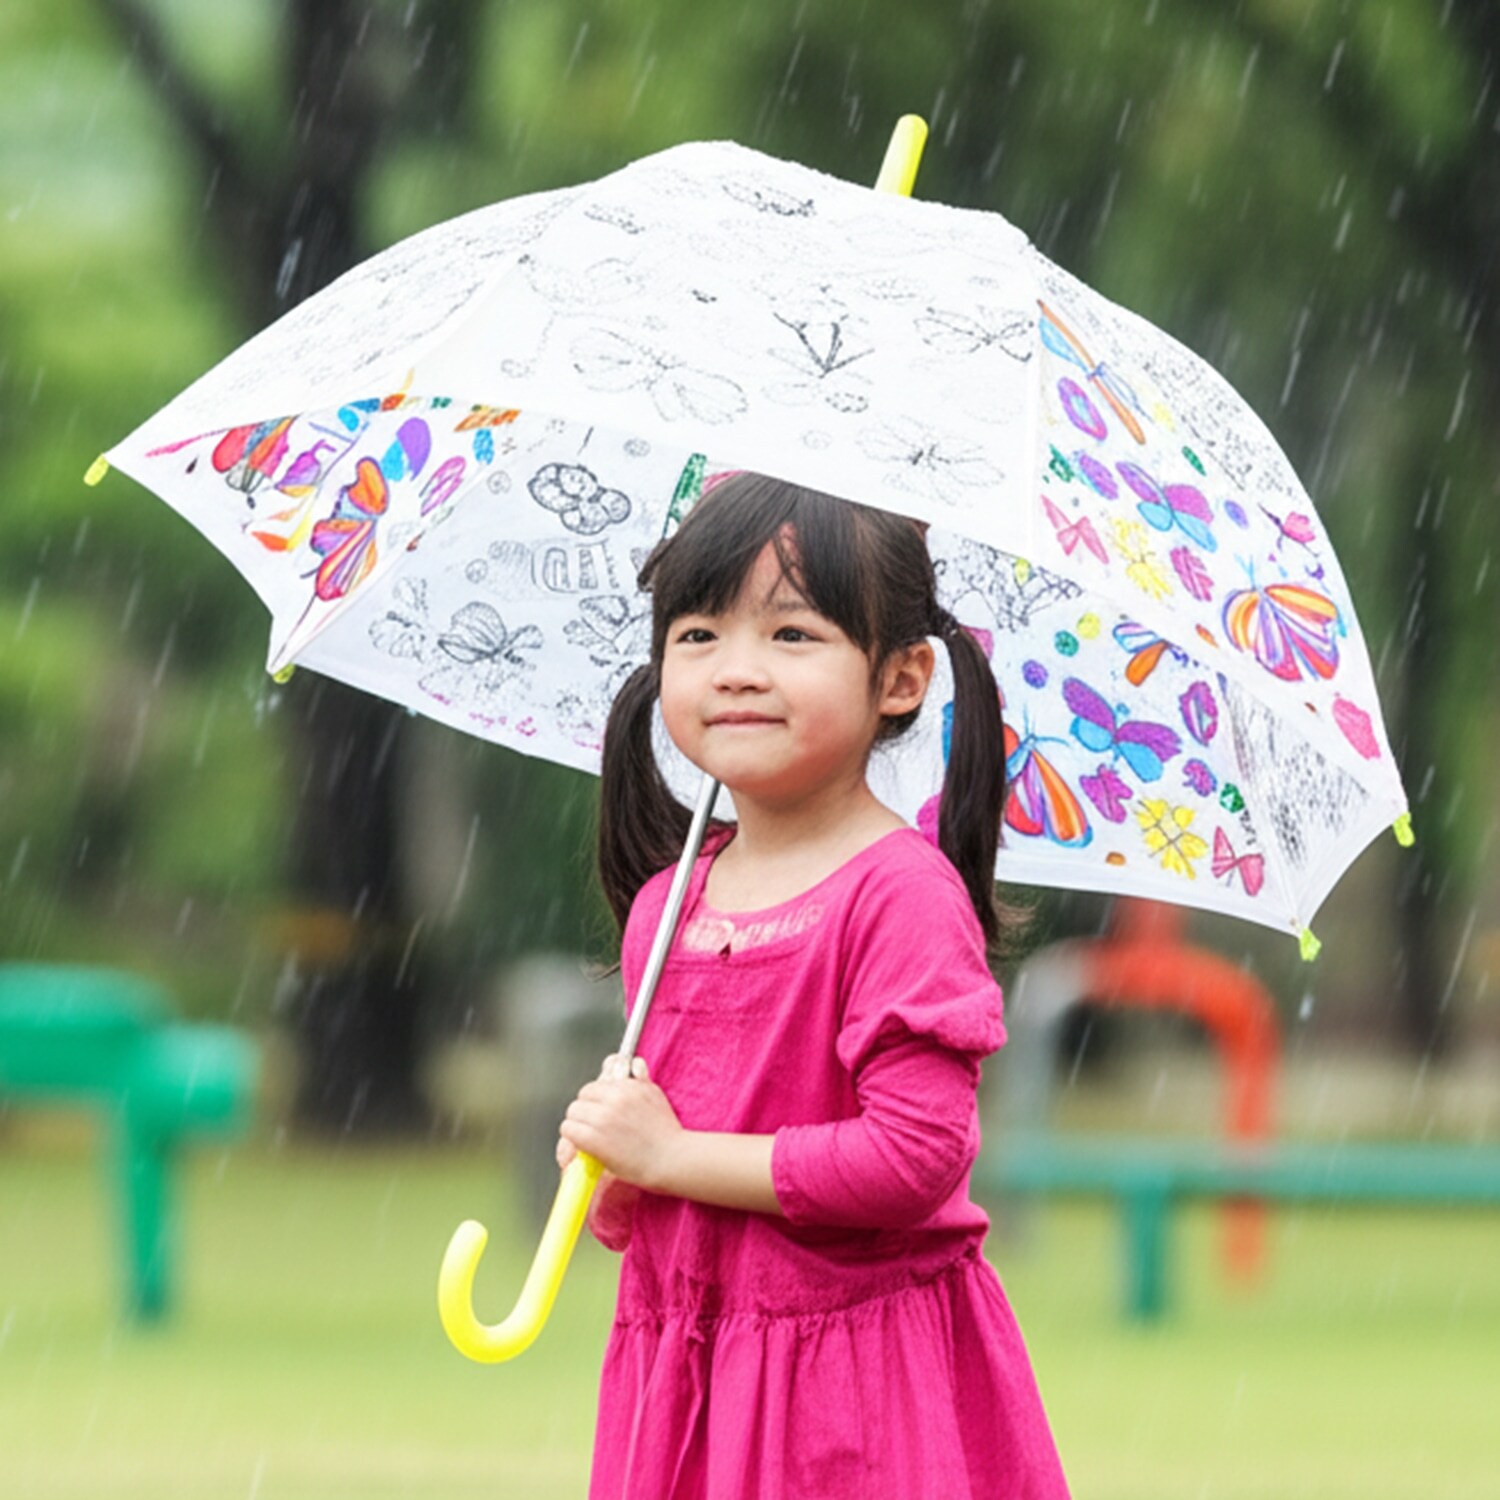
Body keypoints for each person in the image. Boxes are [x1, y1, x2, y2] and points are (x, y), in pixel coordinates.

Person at [556, 472, 1070, 1499]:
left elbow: (913, 1156)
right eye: (698, 633)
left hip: (852, 1390)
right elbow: (665, 1189)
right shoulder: (668, 906)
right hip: (688, 1374)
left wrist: (673, 1152)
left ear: (901, 677)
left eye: (792, 636)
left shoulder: (900, 896)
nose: (736, 670)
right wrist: (612, 1163)